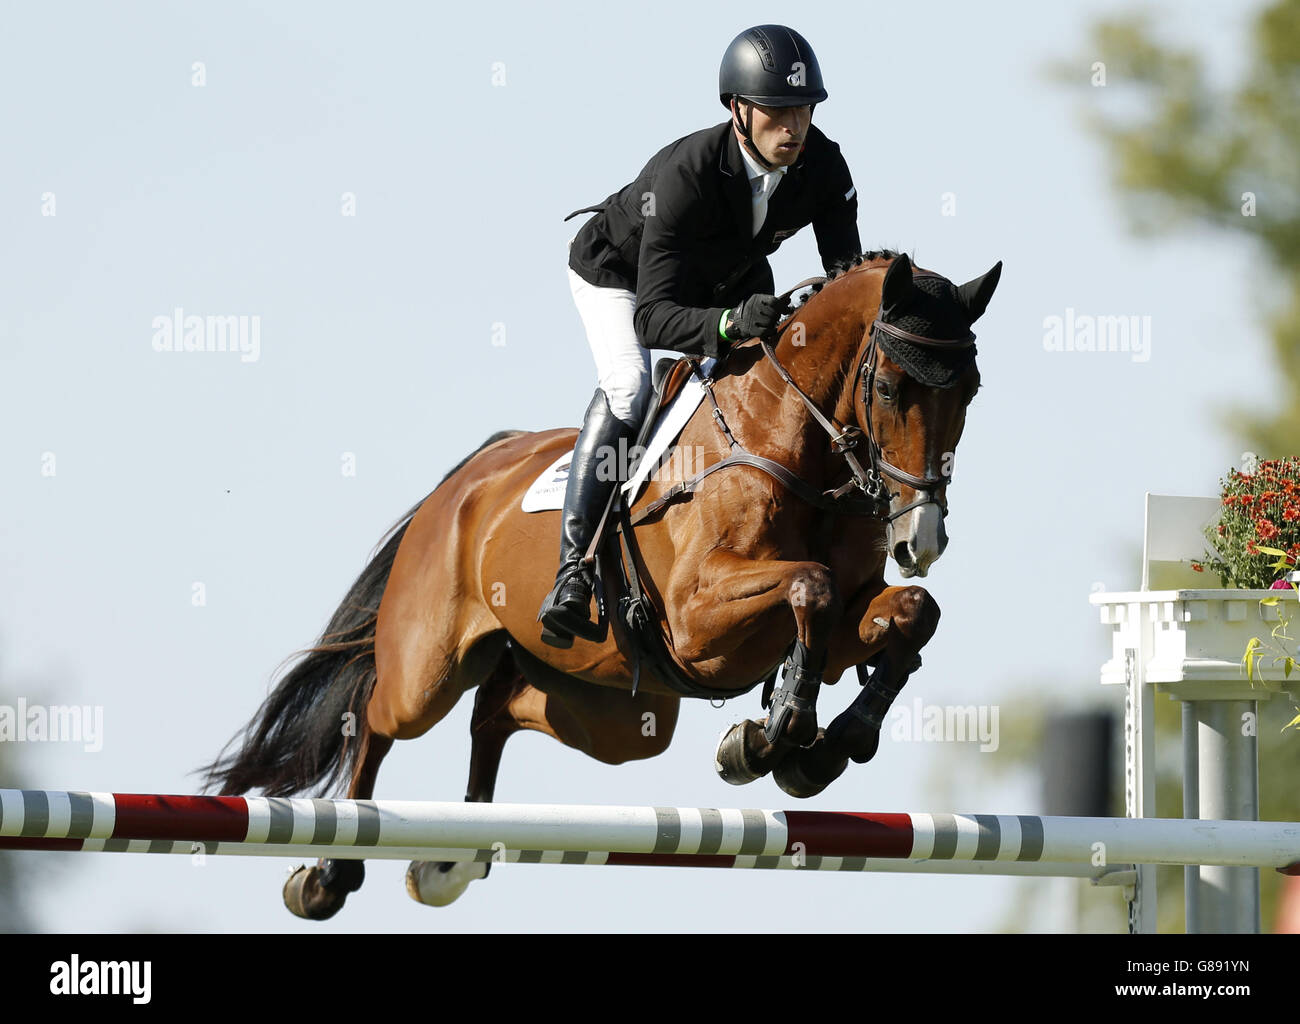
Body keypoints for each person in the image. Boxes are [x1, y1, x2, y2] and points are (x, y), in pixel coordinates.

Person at [538, 23, 862, 648]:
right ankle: (572, 572)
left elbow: (843, 284)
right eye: (776, 111)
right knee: (632, 387)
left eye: (803, 108)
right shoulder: (684, 176)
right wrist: (727, 324)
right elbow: (653, 317)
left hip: (722, 273)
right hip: (622, 278)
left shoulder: (823, 165)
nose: (793, 126)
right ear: (739, 112)